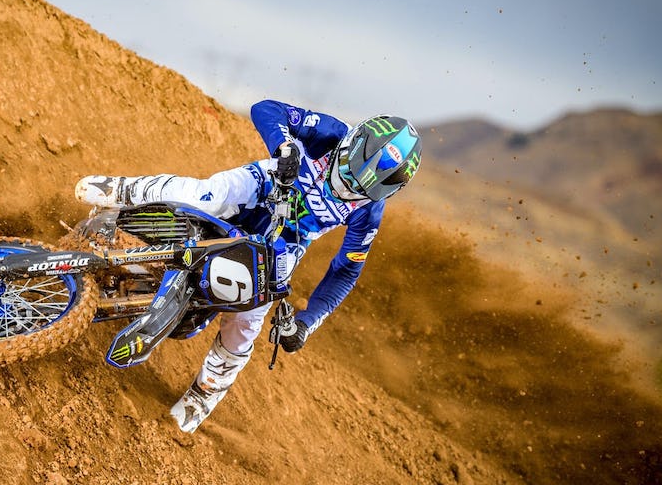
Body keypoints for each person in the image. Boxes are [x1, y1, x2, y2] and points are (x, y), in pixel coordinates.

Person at [74, 99, 423, 433]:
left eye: (364, 188)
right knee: (206, 196)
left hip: (287, 240)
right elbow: (267, 109)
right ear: (353, 141)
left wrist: (306, 323)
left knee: (248, 318)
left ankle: (203, 395)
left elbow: (346, 271)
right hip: (263, 186)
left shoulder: (369, 213)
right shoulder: (330, 131)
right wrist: (284, 147)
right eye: (349, 170)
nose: (350, 185)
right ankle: (123, 191)